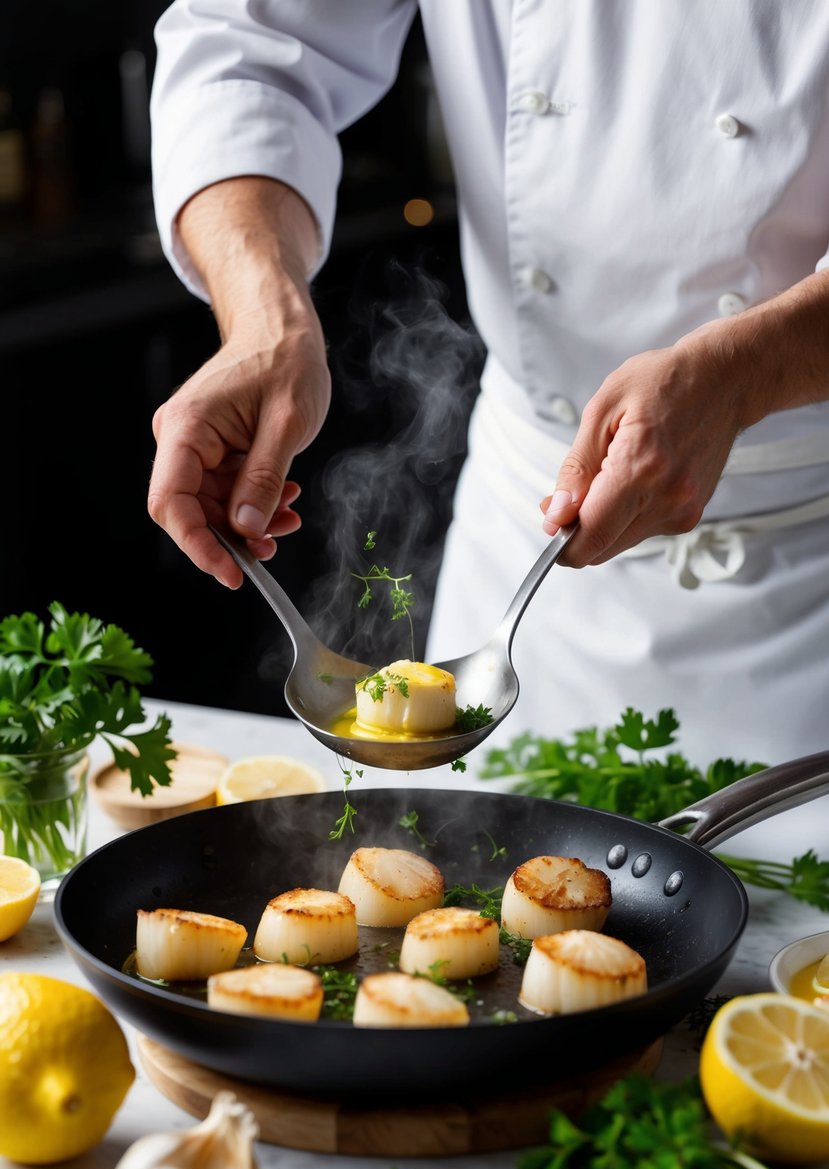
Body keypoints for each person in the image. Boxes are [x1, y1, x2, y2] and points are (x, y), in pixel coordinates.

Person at [148, 1, 829, 855]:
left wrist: (744, 372)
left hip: (813, 578)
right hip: (530, 541)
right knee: (473, 902)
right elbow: (249, 45)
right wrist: (264, 318)